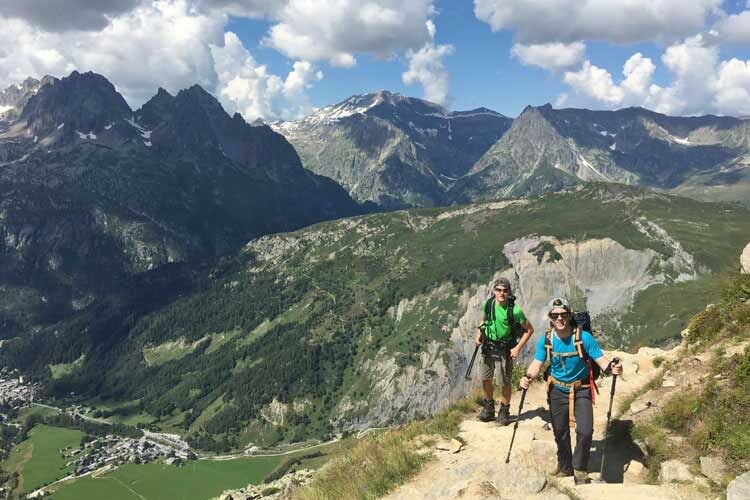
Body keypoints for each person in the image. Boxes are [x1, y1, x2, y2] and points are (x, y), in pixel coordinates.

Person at [519, 297, 623, 485]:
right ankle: (565, 466)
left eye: (564, 314)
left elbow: (601, 360)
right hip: (557, 390)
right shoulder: (547, 339)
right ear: (550, 317)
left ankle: (580, 469)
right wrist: (527, 377)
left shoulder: (584, 338)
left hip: (581, 388)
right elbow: (537, 363)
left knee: (585, 431)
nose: (560, 318)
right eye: (555, 315)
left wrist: (612, 368)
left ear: (569, 315)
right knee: (560, 431)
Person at [476, 277, 534, 425]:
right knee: (485, 379)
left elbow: (529, 330)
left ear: (509, 292)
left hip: (504, 349)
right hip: (487, 346)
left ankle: (504, 410)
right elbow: (483, 320)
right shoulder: (488, 305)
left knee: (504, 382)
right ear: (494, 291)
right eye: (498, 290)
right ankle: (489, 408)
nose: (501, 293)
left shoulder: (515, 311)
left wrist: (517, 348)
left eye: (505, 290)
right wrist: (479, 335)